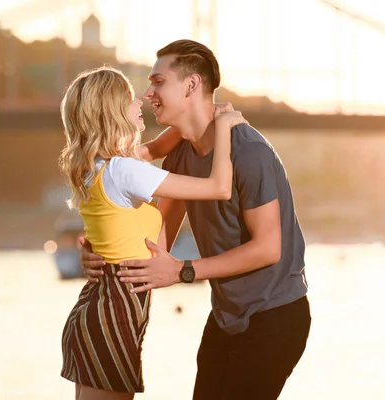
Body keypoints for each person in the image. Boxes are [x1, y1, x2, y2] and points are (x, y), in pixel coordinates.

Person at [80, 40, 311, 400]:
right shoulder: (182, 157)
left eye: (158, 82)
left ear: (191, 85)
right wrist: (101, 254)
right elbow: (155, 243)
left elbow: (268, 248)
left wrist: (182, 271)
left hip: (275, 317)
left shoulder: (249, 153)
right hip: (225, 318)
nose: (148, 93)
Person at [58, 65, 247, 400]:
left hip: (97, 308)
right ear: (114, 111)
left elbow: (158, 148)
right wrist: (227, 129)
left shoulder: (99, 167)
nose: (140, 104)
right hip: (113, 315)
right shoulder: (125, 171)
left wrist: (196, 115)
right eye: (131, 101)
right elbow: (219, 187)